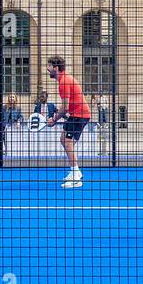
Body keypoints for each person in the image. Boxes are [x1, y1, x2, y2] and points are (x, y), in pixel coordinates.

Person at [45, 57, 91, 188]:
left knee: (67, 141)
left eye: (49, 66)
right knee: (63, 138)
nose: (47, 69)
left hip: (80, 115)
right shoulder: (64, 79)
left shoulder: (64, 82)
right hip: (76, 114)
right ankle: (74, 171)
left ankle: (76, 175)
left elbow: (64, 107)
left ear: (56, 68)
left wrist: (54, 119)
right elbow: (66, 106)